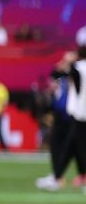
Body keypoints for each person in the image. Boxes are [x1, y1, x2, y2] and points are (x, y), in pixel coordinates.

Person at [37, 50, 86, 191]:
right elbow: (58, 75)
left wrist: (68, 63)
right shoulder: (79, 68)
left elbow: (60, 75)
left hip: (80, 115)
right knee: (73, 147)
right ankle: (58, 177)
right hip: (78, 115)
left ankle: (57, 178)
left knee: (77, 148)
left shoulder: (79, 68)